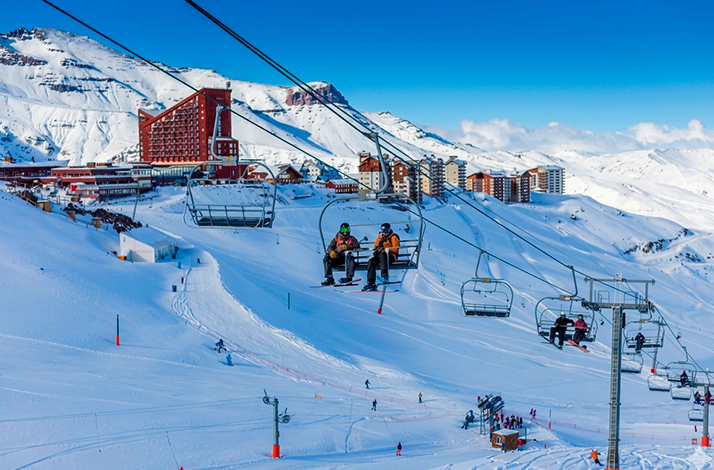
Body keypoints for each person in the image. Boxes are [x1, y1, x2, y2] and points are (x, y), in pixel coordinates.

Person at [363, 223, 400, 291]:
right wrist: (378, 247)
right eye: (382, 231)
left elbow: (395, 249)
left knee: (383, 255)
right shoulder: (380, 237)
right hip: (381, 256)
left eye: (385, 231)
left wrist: (385, 248)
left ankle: (384, 276)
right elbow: (375, 246)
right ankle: (370, 282)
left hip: (391, 256)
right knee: (371, 261)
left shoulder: (393, 237)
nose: (384, 233)